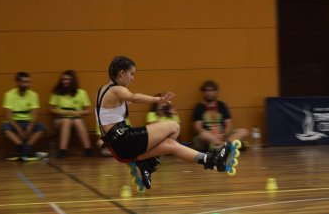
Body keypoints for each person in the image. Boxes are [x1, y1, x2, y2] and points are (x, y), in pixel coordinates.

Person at [96, 56, 236, 190]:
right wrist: (157, 100)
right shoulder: (117, 90)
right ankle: (147, 165)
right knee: (174, 126)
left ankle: (213, 161)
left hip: (119, 147)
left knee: (170, 145)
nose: (133, 78)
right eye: (131, 74)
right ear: (121, 73)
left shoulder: (103, 90)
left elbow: (127, 102)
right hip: (124, 141)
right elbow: (133, 97)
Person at [192, 80, 249, 151]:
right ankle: (226, 146)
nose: (210, 93)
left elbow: (229, 124)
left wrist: (223, 134)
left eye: (212, 90)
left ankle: (222, 146)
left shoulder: (222, 105)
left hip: (223, 135)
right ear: (203, 93)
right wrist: (213, 135)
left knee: (243, 131)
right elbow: (198, 128)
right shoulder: (199, 107)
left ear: (216, 92)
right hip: (209, 137)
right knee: (203, 135)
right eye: (207, 90)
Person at [49, 70, 94, 159]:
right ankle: (62, 150)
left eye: (68, 79)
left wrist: (77, 113)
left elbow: (89, 110)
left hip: (77, 117)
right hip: (60, 119)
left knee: (77, 121)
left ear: (73, 81)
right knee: (67, 121)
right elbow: (51, 109)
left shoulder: (81, 93)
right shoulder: (57, 93)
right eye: (64, 79)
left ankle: (88, 149)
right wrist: (64, 112)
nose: (65, 81)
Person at [1, 72, 46, 160]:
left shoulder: (33, 95)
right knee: (4, 127)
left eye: (28, 82)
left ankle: (26, 148)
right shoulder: (9, 94)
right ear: (17, 82)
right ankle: (22, 147)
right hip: (15, 122)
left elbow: (35, 114)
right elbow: (9, 116)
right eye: (24, 82)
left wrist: (30, 126)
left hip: (28, 122)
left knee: (41, 127)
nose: (27, 84)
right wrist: (18, 129)